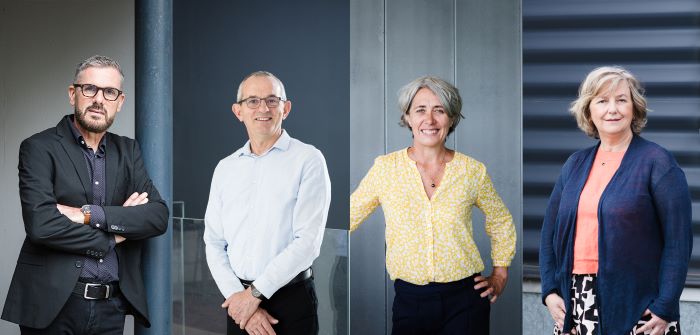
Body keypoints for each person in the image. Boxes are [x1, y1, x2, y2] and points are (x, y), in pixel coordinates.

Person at [1, 55, 169, 334]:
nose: (99, 99)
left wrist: (87, 214)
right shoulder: (39, 148)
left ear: (120, 101)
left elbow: (157, 216)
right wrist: (114, 235)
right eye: (89, 89)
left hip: (110, 306)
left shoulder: (129, 151)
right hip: (53, 304)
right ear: (73, 94)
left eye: (109, 92)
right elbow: (41, 225)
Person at [350, 76, 516, 334]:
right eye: (420, 110)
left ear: (451, 118)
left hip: (466, 300)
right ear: (407, 117)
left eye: (439, 110)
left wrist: (500, 273)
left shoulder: (472, 171)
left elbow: (501, 220)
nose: (429, 120)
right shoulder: (385, 168)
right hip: (410, 300)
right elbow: (348, 214)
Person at [539, 66, 692, 335]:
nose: (613, 109)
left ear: (634, 108)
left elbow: (678, 241)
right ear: (588, 110)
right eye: (602, 100)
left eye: (621, 100)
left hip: (639, 303)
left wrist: (665, 305)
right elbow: (548, 234)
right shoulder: (574, 165)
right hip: (577, 300)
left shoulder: (657, 163)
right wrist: (550, 291)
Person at [204, 71, 331, 335]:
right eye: (252, 101)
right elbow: (214, 242)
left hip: (291, 300)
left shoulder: (308, 159)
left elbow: (308, 242)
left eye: (272, 100)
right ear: (238, 111)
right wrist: (240, 300)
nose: (263, 108)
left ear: (286, 108)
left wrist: (254, 296)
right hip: (237, 302)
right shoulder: (225, 168)